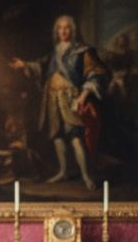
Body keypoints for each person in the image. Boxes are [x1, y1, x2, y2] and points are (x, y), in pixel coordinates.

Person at [10, 14, 107, 190]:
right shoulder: (55, 51)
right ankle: (63, 172)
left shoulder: (82, 50)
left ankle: (86, 174)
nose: (63, 31)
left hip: (71, 97)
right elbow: (41, 66)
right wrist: (26, 65)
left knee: (76, 136)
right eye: (60, 28)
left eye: (67, 27)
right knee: (57, 135)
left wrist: (84, 95)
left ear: (73, 30)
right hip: (52, 97)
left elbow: (96, 73)